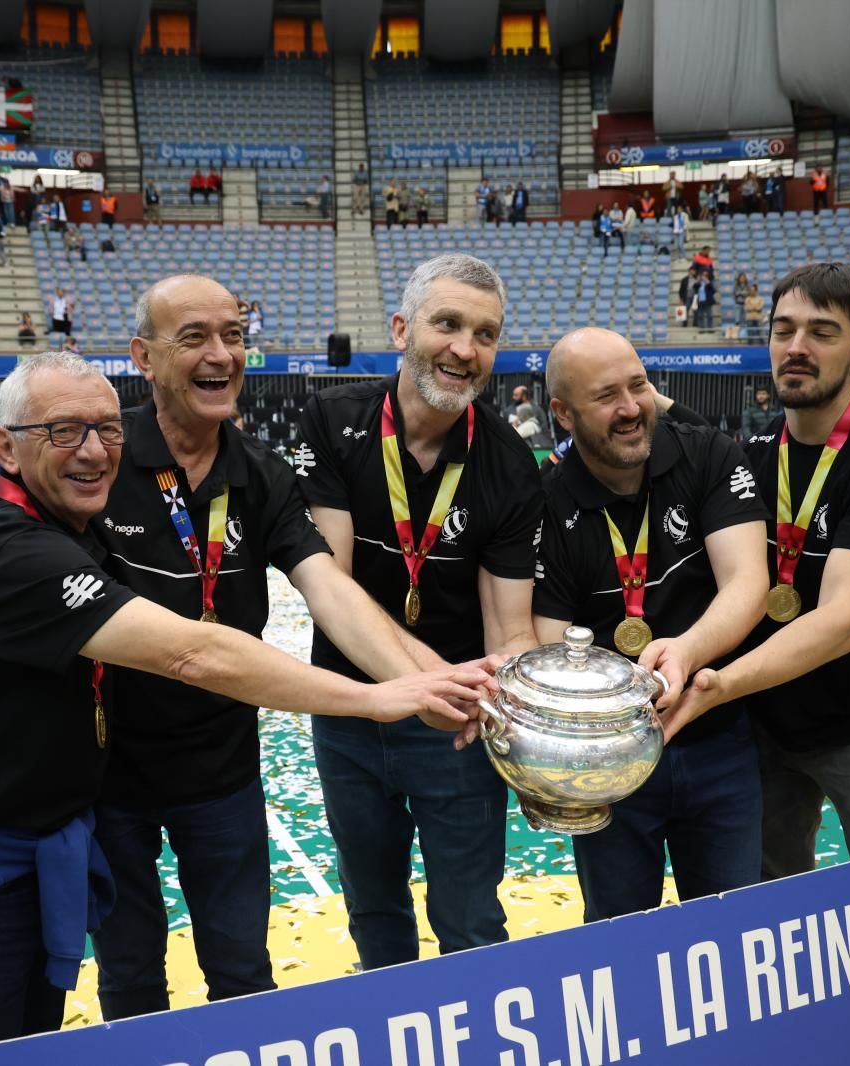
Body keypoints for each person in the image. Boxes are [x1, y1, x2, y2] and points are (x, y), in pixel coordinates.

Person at [0, 352, 485, 1059]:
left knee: (58, 1026)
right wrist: (378, 698)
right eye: (63, 431)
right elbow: (196, 653)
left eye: (103, 430)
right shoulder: (20, 547)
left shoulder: (73, 519)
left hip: (54, 838)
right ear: (3, 446)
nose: (92, 451)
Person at [87, 275, 494, 1019]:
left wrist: (428, 681)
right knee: (131, 979)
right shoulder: (100, 463)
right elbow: (12, 564)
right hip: (109, 772)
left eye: (235, 336)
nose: (222, 355)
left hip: (222, 770)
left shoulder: (262, 474)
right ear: (143, 357)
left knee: (244, 976)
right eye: (196, 338)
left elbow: (330, 587)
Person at [294, 253, 544, 971]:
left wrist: (528, 745)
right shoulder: (333, 421)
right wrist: (429, 686)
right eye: (449, 324)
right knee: (374, 914)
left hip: (457, 731)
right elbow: (331, 588)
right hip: (352, 711)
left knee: (470, 921)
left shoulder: (509, 464)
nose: (466, 350)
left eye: (486, 334)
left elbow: (510, 632)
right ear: (402, 328)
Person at [660, 262, 850, 878]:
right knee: (771, 915)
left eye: (822, 332)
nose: (796, 348)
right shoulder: (758, 453)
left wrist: (722, 685)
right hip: (766, 732)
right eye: (783, 329)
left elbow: (842, 622)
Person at [535, 327, 769, 919]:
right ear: (563, 413)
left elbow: (747, 582)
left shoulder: (708, 453)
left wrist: (687, 652)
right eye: (606, 395)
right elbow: (546, 637)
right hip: (608, 762)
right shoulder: (548, 498)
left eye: (639, 386)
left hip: (718, 738)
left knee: (732, 927)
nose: (631, 407)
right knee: (617, 936)